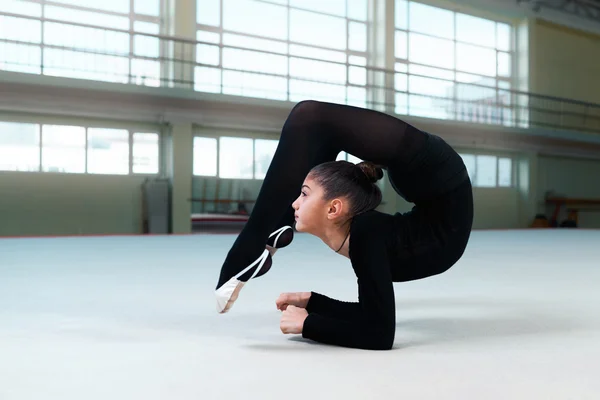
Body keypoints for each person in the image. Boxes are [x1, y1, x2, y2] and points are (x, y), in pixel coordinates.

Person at [215, 100, 474, 350]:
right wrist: (313, 303)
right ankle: (266, 237)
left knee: (310, 118)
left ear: (334, 208)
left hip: (434, 176)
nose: (294, 202)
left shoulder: (365, 236)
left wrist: (308, 324)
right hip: (434, 182)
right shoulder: (366, 235)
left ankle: (250, 247)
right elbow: (373, 319)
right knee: (312, 123)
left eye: (303, 194)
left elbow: (380, 333)